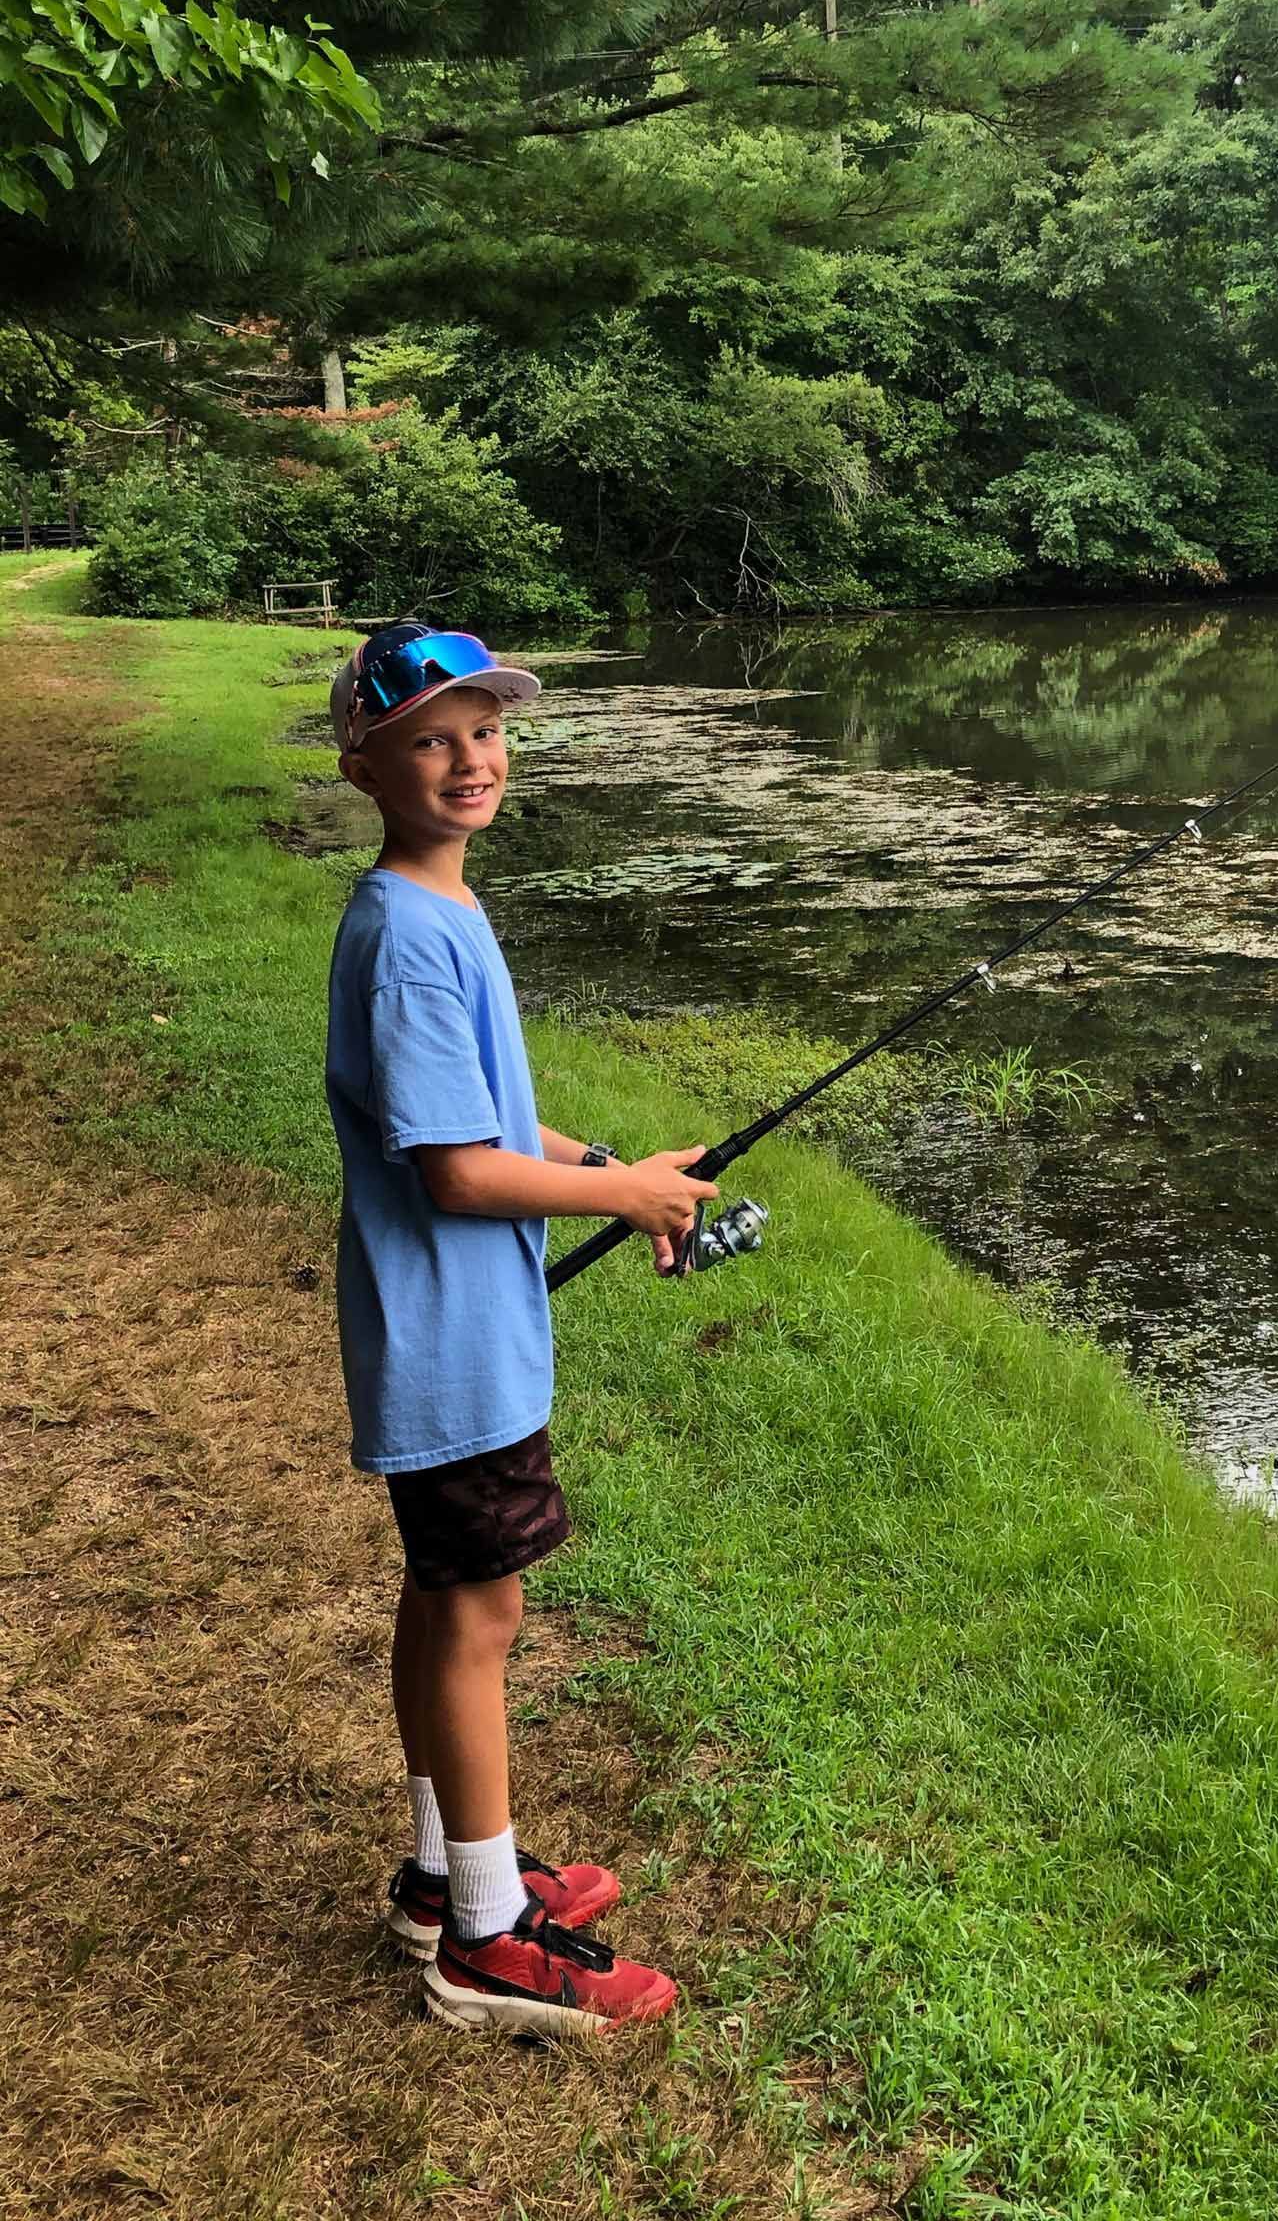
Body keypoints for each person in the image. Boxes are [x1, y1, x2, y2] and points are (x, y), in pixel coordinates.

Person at [325, 619, 712, 2037]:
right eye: (431, 735)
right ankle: (486, 1942)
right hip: (451, 1344)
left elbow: (490, 1118)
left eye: (485, 730)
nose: (469, 757)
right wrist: (618, 1188)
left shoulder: (431, 909)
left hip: (447, 1332)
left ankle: (446, 1873)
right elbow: (459, 1171)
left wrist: (618, 1174)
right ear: (365, 758)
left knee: (441, 1596)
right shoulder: (412, 940)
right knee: (484, 1612)